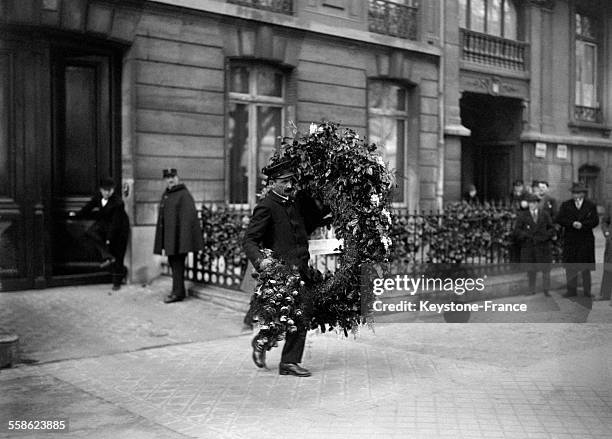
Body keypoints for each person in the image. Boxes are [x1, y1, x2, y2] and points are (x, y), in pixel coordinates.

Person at [243, 158, 329, 377]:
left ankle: (289, 362)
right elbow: (250, 240)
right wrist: (261, 261)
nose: (290, 186)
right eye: (284, 181)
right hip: (280, 274)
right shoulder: (266, 206)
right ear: (273, 182)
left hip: (300, 271)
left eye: (292, 181)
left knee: (302, 315)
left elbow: (307, 225)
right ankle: (260, 343)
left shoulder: (295, 203)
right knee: (276, 321)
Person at [153, 168, 204, 303]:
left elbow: (188, 219)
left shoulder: (183, 194)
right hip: (171, 237)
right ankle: (178, 291)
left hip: (179, 238)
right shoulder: (168, 193)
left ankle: (178, 293)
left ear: (177, 178)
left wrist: (183, 240)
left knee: (177, 264)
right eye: (167, 178)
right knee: (173, 263)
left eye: (173, 177)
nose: (170, 180)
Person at [70, 177, 129, 290]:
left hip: (120, 229)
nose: (107, 193)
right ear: (100, 190)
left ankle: (117, 281)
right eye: (104, 190)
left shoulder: (118, 203)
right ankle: (108, 257)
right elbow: (88, 208)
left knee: (118, 253)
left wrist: (109, 239)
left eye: (110, 190)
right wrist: (76, 215)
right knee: (90, 232)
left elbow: (115, 224)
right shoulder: (98, 197)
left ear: (113, 190)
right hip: (105, 224)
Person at [555, 182, 599, 298]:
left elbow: (595, 221)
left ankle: (587, 291)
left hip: (586, 240)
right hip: (571, 239)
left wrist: (583, 225)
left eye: (578, 193)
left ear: (583, 194)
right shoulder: (566, 205)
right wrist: (571, 223)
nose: (576, 195)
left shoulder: (591, 205)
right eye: (574, 193)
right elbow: (559, 219)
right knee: (571, 267)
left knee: (585, 268)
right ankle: (571, 291)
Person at [514, 193, 555, 296]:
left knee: (545, 269)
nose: (532, 205)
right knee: (531, 269)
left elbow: (551, 228)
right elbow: (517, 231)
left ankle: (546, 290)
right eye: (530, 203)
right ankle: (531, 289)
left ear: (537, 204)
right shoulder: (523, 216)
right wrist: (526, 236)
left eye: (534, 203)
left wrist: (545, 236)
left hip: (543, 245)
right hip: (529, 246)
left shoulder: (544, 214)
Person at [595, 202, 612, 304]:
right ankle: (605, 294)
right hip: (611, 243)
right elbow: (605, 221)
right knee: (609, 268)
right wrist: (607, 233)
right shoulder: (611, 205)